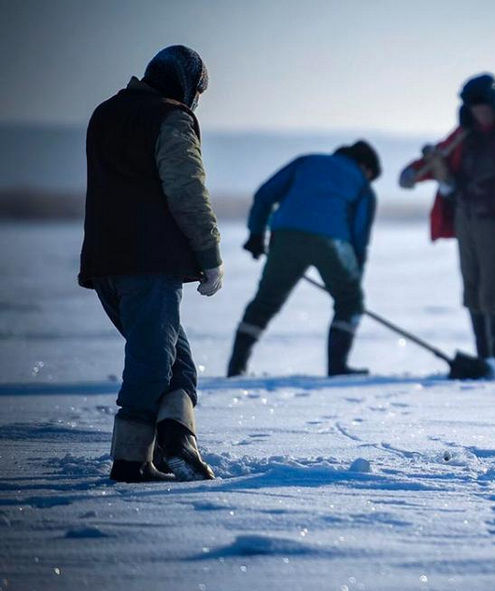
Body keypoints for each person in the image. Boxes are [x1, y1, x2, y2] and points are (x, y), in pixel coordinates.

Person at [79, 45, 222, 483]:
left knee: (176, 363)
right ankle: (131, 460)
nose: (197, 99)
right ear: (186, 84)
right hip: (147, 261)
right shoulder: (170, 117)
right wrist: (210, 255)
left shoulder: (106, 113)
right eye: (198, 89)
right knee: (152, 363)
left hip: (106, 260)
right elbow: (187, 191)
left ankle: (178, 445)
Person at [399, 74, 495, 375]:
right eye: (474, 107)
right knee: (473, 290)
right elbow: (439, 157)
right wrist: (415, 172)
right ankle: (484, 358)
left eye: (484, 106)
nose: (480, 112)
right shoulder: (464, 133)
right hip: (466, 220)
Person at [227, 141, 380, 378]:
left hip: (286, 235)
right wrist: (352, 283)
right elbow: (359, 239)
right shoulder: (362, 186)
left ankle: (236, 367)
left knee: (266, 301)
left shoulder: (307, 161)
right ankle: (337, 367)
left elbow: (265, 194)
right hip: (332, 241)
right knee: (350, 302)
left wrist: (256, 233)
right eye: (371, 175)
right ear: (364, 165)